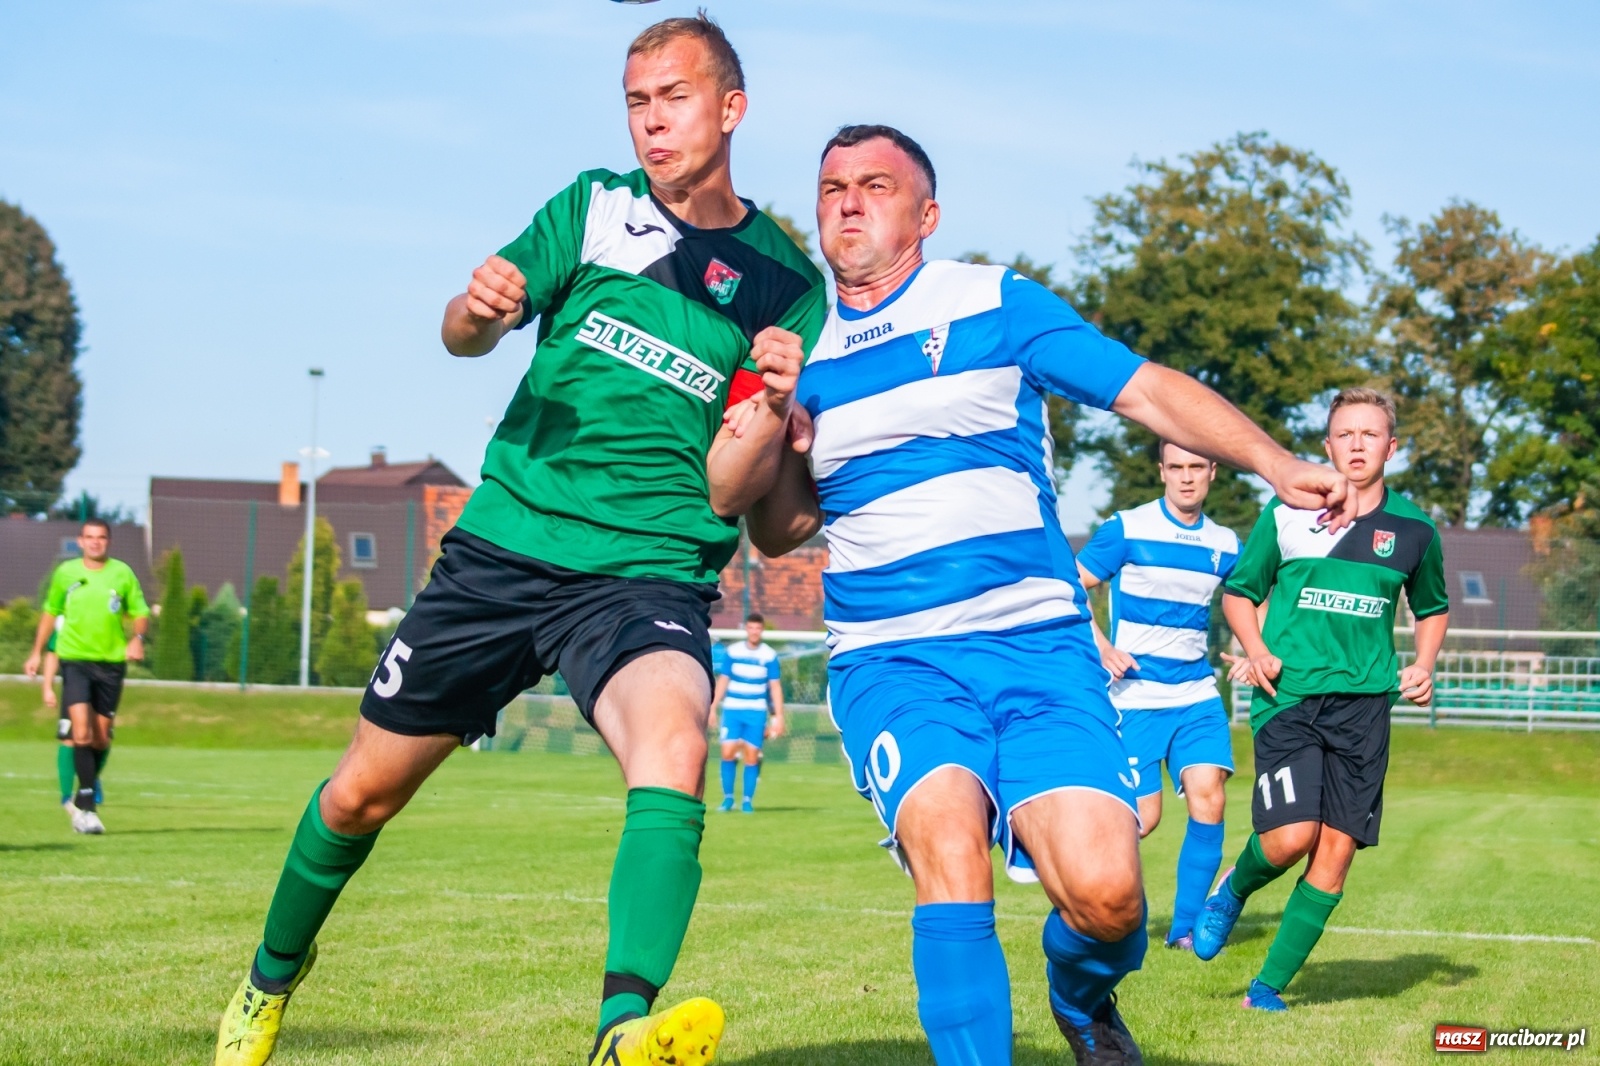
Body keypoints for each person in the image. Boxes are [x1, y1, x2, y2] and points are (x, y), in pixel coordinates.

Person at [210, 15, 825, 1066]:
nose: (650, 122)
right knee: (361, 791)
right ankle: (266, 984)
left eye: (672, 98)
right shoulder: (590, 207)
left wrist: (775, 416)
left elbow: (757, 510)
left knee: (674, 745)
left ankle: (621, 1029)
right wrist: (476, 309)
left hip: (643, 571)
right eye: (636, 102)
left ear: (731, 109)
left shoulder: (785, 288)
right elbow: (461, 332)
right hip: (504, 549)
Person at [715, 124, 1356, 1066]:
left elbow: (1142, 390)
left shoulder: (995, 301)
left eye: (875, 184)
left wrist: (1268, 459)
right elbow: (777, 530)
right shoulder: (790, 344)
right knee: (948, 843)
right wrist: (774, 419)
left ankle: (1080, 993)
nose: (848, 201)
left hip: (1038, 647)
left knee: (1107, 899)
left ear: (925, 214)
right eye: (832, 187)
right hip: (892, 657)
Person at [1193, 387, 1449, 1012]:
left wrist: (1422, 665)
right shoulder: (1285, 514)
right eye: (1345, 434)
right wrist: (1254, 647)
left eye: (1370, 434)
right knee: (1289, 839)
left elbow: (1433, 606)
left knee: (1334, 855)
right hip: (1292, 699)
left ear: (1393, 447)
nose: (1357, 444)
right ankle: (1233, 888)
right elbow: (1238, 593)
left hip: (1366, 710)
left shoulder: (1415, 530)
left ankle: (1266, 991)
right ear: (1327, 446)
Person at [1075, 443, 1240, 951]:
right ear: (1162, 471)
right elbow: (1071, 586)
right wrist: (1101, 646)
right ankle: (1082, 887)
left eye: (1196, 468)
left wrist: (1251, 649)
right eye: (1176, 468)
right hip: (1134, 698)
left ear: (1212, 471)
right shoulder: (1127, 527)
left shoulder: (1228, 544)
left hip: (1196, 694)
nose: (1186, 478)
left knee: (1210, 798)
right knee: (1142, 821)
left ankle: (1186, 930)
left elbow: (1244, 603)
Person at [24, 519, 149, 835]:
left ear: (108, 542)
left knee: (100, 737)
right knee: (79, 733)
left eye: (101, 538)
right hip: (75, 660)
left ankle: (85, 789)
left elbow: (140, 612)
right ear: (80, 541)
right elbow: (50, 613)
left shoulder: (121, 573)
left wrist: (137, 638)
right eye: (89, 537)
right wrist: (36, 652)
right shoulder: (65, 574)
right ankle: (87, 807)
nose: (95, 543)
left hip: (110, 664)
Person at [709, 613, 785, 812]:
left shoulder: (769, 655)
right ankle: (727, 799)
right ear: (746, 629)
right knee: (727, 753)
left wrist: (779, 716)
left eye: (757, 628)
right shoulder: (733, 651)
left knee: (751, 756)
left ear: (762, 630)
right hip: (733, 709)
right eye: (751, 628)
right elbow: (723, 680)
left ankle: (747, 801)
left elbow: (775, 687)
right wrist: (713, 707)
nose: (754, 632)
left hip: (756, 711)